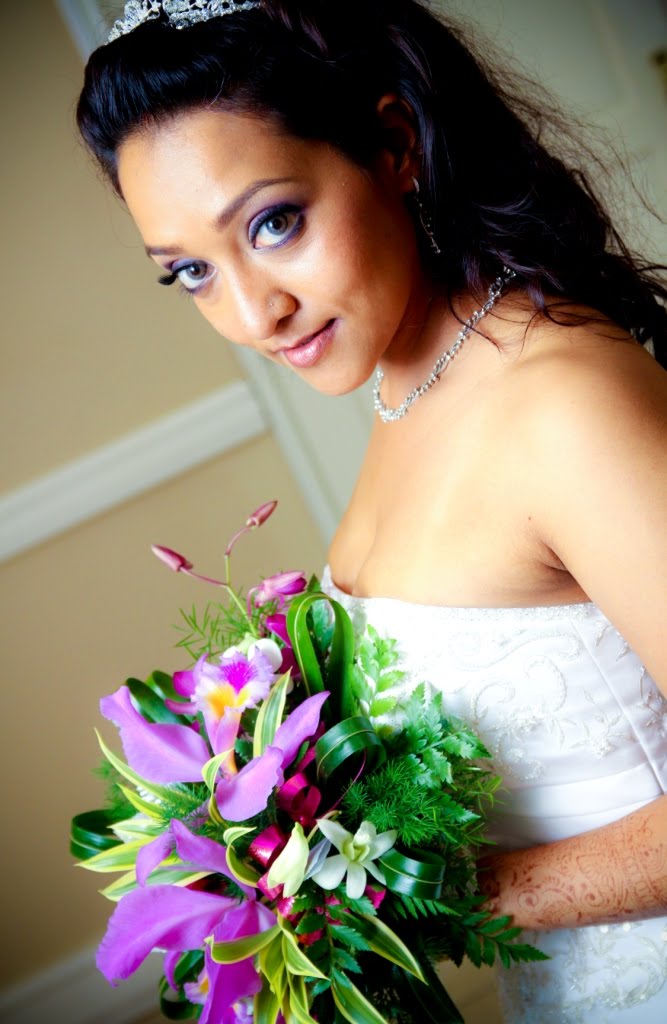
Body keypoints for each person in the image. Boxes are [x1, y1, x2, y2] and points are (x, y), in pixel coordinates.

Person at [76, 0, 667, 1019]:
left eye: (273, 223)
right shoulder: (411, 391)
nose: (253, 313)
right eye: (191, 273)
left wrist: (410, 896)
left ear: (395, 147)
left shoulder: (560, 405)